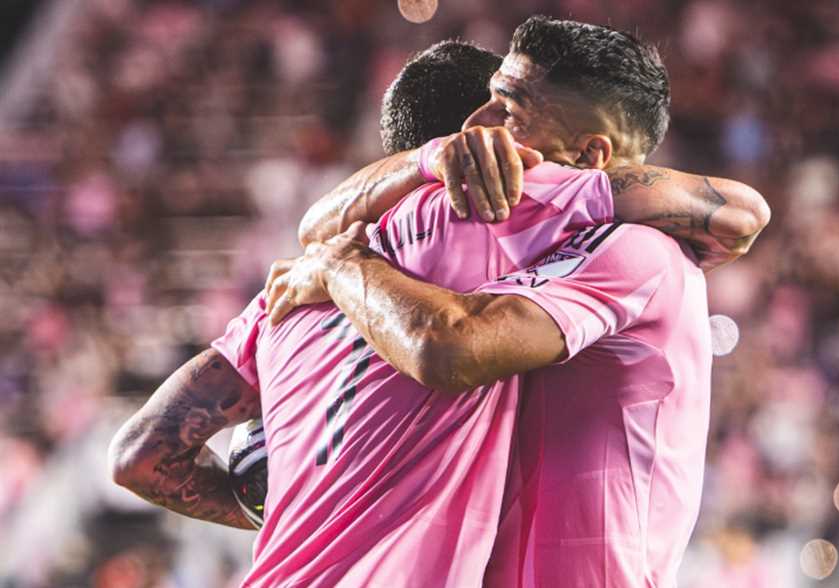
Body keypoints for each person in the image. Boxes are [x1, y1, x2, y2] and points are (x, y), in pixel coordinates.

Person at [110, 23, 766, 588]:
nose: (488, 126)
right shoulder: (503, 239)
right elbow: (737, 213)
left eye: (508, 110)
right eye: (489, 108)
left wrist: (289, 509)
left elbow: (141, 456)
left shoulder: (287, 293)